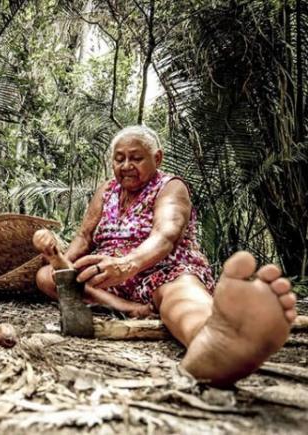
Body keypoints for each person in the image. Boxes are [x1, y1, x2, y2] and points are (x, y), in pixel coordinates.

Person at [35, 125, 297, 386]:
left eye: (136, 158)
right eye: (119, 158)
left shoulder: (170, 187)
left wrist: (128, 264)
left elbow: (166, 236)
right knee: (46, 276)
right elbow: (84, 238)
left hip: (163, 272)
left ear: (157, 158)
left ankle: (213, 344)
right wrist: (59, 259)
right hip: (108, 280)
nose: (126, 165)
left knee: (181, 299)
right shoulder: (106, 190)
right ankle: (130, 309)